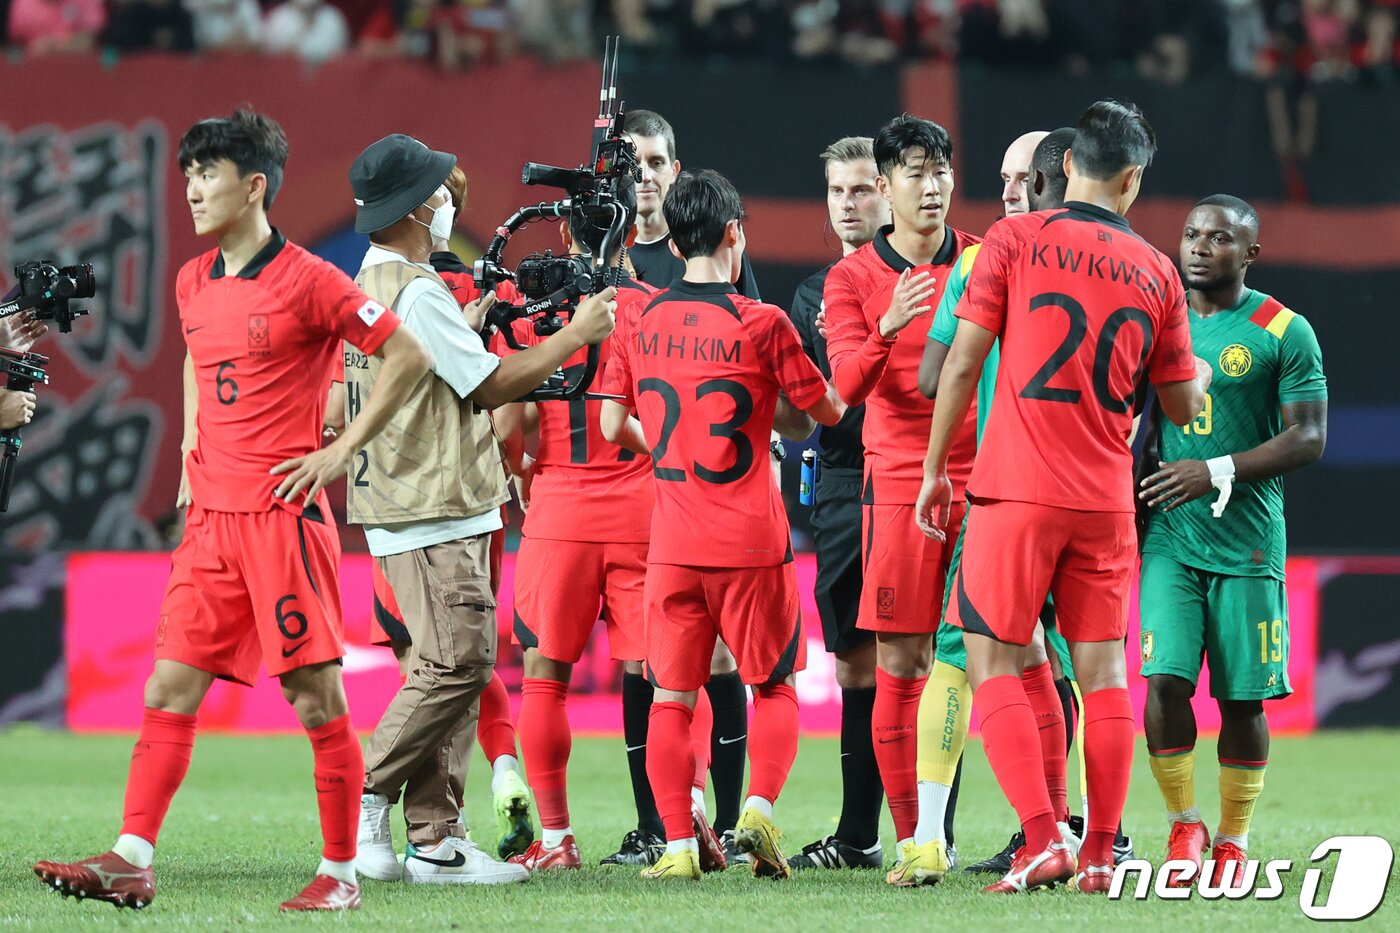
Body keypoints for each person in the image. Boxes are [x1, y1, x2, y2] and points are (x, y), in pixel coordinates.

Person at [33, 109, 433, 912]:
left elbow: (407, 357)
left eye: (207, 174)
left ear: (254, 187)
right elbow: (195, 354)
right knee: (166, 690)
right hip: (212, 522)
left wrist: (338, 452)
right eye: (187, 175)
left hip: (282, 520)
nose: (192, 189)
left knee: (317, 700)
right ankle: (131, 857)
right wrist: (189, 450)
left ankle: (342, 876)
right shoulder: (191, 279)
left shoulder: (314, 279)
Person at [915, 99, 1208, 895]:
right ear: (1134, 179)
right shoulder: (1157, 270)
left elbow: (963, 363)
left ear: (1066, 164)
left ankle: (1044, 837)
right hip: (1106, 499)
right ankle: (1103, 850)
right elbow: (1182, 408)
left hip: (1015, 491)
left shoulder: (1013, 239)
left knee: (990, 653)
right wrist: (1202, 373)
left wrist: (937, 464)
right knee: (1105, 671)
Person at [344, 134, 615, 885]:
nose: (446, 204)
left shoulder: (370, 282)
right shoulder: (422, 291)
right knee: (460, 664)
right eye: (435, 192)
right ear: (411, 207)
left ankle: (436, 838)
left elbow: (426, 375)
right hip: (435, 504)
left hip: (404, 500)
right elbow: (491, 386)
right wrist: (577, 334)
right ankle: (364, 798)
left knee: (443, 672)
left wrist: (474, 321)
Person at [600, 169, 846, 880]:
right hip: (751, 540)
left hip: (672, 541)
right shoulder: (764, 322)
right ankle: (759, 810)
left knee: (671, 697)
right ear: (734, 233)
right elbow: (823, 412)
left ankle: (677, 845)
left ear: (674, 241)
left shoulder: (636, 318)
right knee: (772, 686)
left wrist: (673, 448)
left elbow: (615, 423)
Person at [492, 182, 716, 872]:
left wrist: (522, 470)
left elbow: (509, 419)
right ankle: (691, 815)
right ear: (627, 234)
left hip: (559, 505)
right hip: (644, 509)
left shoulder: (535, 310)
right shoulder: (653, 307)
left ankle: (556, 838)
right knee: (671, 676)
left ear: (567, 236)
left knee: (544, 677)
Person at [1139, 194, 1326, 886]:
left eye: (1219, 239)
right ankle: (1184, 824)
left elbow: (1310, 436)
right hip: (1169, 533)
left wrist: (1213, 468)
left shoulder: (1284, 329)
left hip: (1248, 541)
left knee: (1241, 701)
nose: (1198, 247)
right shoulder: (1161, 317)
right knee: (1163, 680)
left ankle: (1234, 837)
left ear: (1249, 253)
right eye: (1191, 234)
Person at [822, 113, 980, 874]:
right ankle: (920, 838)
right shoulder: (852, 279)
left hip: (988, 484)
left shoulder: (986, 259)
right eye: (916, 171)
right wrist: (885, 327)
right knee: (902, 661)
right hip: (897, 483)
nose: (933, 185)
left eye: (942, 169)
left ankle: (1044, 828)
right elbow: (842, 390)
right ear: (885, 189)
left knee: (1002, 657)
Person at [604, 108, 759, 863]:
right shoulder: (591, 257)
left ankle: (724, 820)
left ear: (676, 168)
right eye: (634, 161)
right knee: (642, 663)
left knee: (720, 661)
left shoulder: (707, 257)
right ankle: (653, 824)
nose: (648, 175)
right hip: (623, 494)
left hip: (697, 498)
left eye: (660, 160)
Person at [786, 135, 892, 872]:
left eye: (861, 189)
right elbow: (809, 406)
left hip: (911, 480)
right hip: (840, 488)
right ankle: (858, 835)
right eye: (837, 192)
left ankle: (932, 833)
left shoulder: (927, 277)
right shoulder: (810, 294)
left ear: (889, 193)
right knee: (857, 666)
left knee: (919, 665)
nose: (848, 204)